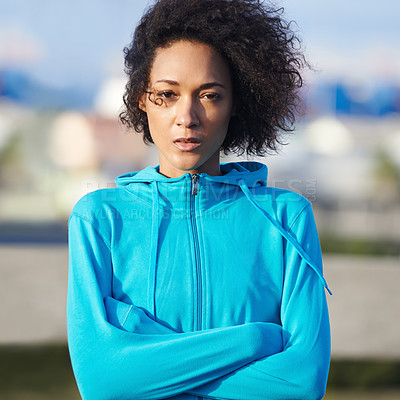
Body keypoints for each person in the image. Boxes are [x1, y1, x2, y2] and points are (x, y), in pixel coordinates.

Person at [67, 0, 331, 399]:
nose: (186, 116)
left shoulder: (286, 219)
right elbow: (103, 382)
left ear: (236, 103)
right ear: (141, 98)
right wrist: (257, 339)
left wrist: (145, 359)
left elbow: (300, 384)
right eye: (167, 95)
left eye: (209, 95)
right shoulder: (99, 219)